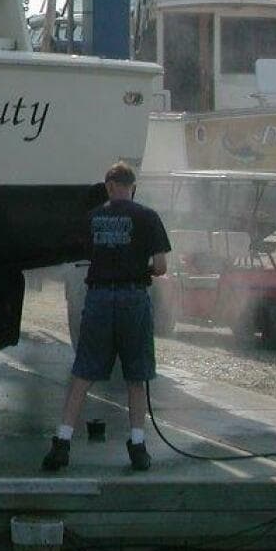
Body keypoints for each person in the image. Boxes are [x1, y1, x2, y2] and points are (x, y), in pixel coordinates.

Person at [42, 161, 171, 473]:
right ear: (133, 187)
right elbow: (161, 266)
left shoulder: (92, 218)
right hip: (133, 298)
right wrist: (142, 268)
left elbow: (79, 253)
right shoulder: (148, 217)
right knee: (136, 376)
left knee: (83, 373)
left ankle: (62, 442)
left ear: (109, 188)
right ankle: (138, 446)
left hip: (99, 298)